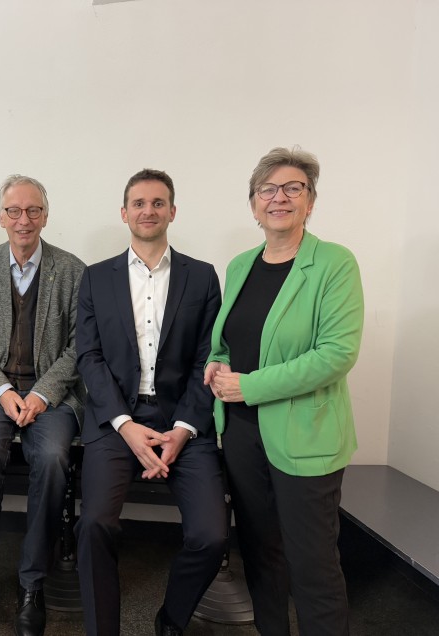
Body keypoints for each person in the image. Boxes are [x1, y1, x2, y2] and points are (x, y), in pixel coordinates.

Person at [204, 147, 364, 636]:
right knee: (261, 555)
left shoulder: (334, 263)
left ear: (310, 201)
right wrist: (217, 364)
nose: (280, 198)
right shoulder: (239, 266)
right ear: (254, 205)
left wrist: (247, 385)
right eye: (268, 190)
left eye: (293, 188)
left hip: (306, 435)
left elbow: (335, 354)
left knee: (313, 565)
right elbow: (229, 340)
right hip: (243, 435)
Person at [75, 169, 228, 636]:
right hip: (115, 420)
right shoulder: (96, 277)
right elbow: (89, 356)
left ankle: (171, 619)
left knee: (211, 536)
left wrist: (183, 429)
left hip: (183, 418)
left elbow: (210, 357)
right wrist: (124, 424)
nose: (148, 211)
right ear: (124, 213)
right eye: (138, 203)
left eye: (158, 203)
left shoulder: (201, 277)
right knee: (95, 525)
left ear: (172, 212)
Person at [0, 175, 85, 636]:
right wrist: (3, 392)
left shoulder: (72, 270)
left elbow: (77, 347)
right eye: (14, 211)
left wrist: (39, 394)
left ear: (46, 216)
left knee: (53, 458)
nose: (23, 219)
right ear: (1, 217)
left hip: (50, 395)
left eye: (33, 210)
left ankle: (32, 583)